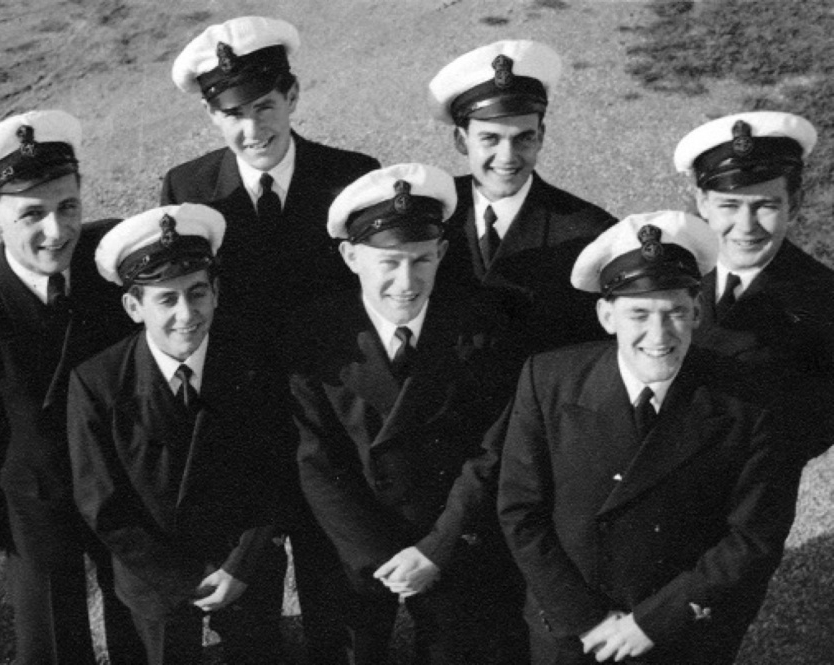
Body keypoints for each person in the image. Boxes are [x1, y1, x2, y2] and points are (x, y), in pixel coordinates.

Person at [161, 17, 381, 661]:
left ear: (293, 97)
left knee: (334, 589)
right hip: (243, 416)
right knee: (247, 602)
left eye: (265, 106)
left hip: (331, 411)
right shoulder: (190, 187)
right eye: (232, 113)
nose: (251, 129)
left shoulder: (351, 178)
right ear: (211, 116)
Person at [497, 210, 802, 664]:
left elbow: (754, 535)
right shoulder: (549, 380)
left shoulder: (748, 402)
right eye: (638, 314)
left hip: (675, 631)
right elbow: (520, 511)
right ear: (606, 315)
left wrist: (650, 623)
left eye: (675, 312)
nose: (658, 335)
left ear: (697, 312)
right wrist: (589, 621)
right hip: (572, 630)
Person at [0, 110, 140, 664]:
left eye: (68, 207)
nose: (56, 231)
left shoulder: (111, 257)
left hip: (123, 481)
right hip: (37, 502)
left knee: (143, 622)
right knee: (51, 647)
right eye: (30, 214)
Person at [291, 163, 529, 664]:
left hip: (451, 535)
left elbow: (492, 450)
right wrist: (381, 562)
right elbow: (316, 460)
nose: (407, 281)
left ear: (442, 252)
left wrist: (437, 550)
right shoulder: (314, 337)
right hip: (357, 545)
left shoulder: (480, 328)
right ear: (351, 256)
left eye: (422, 259)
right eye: (388, 263)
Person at [68, 203, 286, 664]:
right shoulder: (98, 383)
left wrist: (240, 565)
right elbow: (103, 504)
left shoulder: (251, 358)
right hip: (156, 577)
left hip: (243, 564)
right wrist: (185, 580)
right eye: (166, 299)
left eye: (197, 292)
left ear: (216, 292)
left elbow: (277, 465)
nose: (186, 314)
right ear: (133, 306)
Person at [427, 39, 616, 364]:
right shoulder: (430, 214)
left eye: (524, 138)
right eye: (490, 138)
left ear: (541, 136)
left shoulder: (590, 231)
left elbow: (597, 356)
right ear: (461, 140)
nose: (507, 157)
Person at [674, 110, 834, 464]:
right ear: (702, 202)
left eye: (765, 206)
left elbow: (818, 421)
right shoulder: (671, 269)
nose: (746, 227)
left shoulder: (823, 300)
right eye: (729, 205)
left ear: (794, 204)